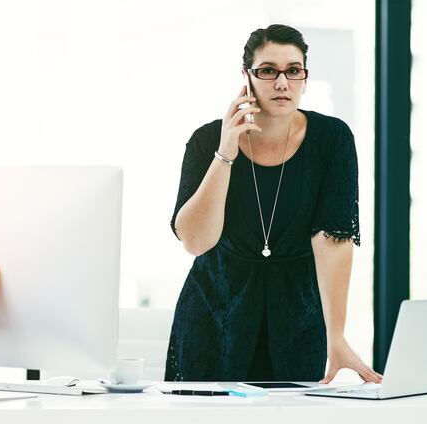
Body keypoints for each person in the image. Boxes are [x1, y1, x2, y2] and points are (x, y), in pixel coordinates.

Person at [166, 24, 382, 384]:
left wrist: (336, 334)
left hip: (296, 323)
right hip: (212, 322)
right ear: (246, 78)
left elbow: (333, 239)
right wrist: (226, 152)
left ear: (304, 77)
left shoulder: (332, 140)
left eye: (293, 71)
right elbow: (196, 241)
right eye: (268, 71)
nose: (282, 83)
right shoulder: (207, 141)